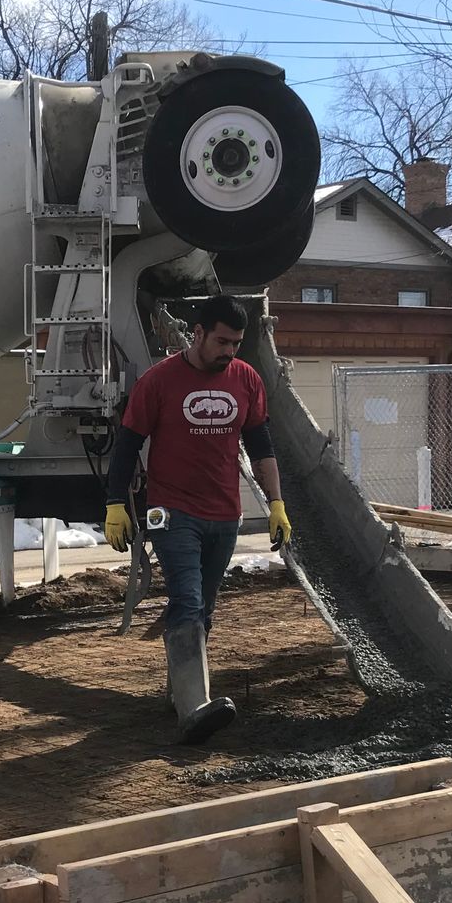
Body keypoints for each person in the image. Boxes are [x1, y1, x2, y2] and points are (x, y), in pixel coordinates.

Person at [102, 294, 291, 743]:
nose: (229, 351)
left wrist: (277, 503)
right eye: (222, 341)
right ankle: (194, 710)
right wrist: (114, 505)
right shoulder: (159, 382)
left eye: (237, 343)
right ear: (198, 333)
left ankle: (180, 693)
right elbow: (127, 445)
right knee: (186, 601)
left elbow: (261, 445)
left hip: (224, 513)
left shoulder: (246, 380)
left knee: (202, 609)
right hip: (171, 511)